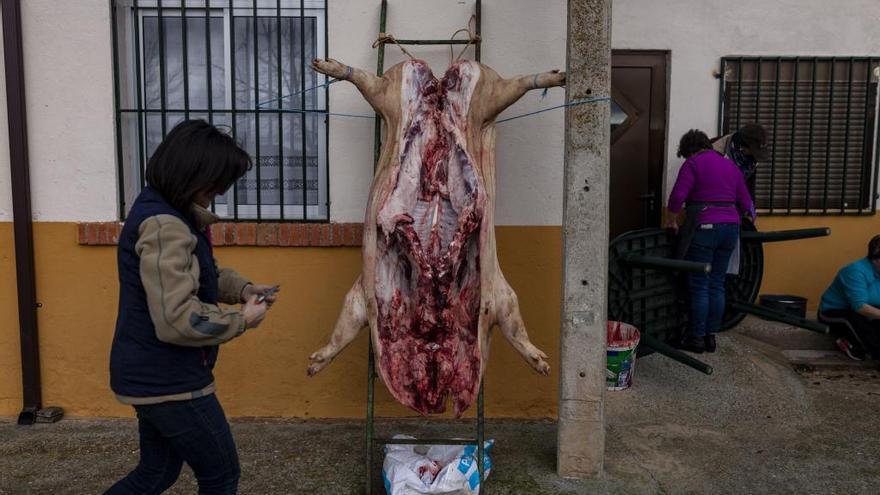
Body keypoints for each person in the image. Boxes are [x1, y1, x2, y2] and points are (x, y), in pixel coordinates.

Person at [106, 120, 278, 494]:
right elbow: (176, 319)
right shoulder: (165, 224)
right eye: (216, 185)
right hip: (168, 381)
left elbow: (201, 271)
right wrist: (242, 319)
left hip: (153, 376)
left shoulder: (168, 209)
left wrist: (244, 289)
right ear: (195, 175)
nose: (217, 194)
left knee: (156, 473)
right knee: (220, 475)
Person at [666, 129, 755, 353]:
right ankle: (710, 337)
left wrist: (672, 220)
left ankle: (695, 339)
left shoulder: (693, 163)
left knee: (699, 284)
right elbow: (746, 202)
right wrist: (749, 217)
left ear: (689, 150)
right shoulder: (730, 166)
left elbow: (678, 196)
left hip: (706, 226)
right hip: (731, 229)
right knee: (717, 283)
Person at [818, 235, 880, 360]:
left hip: (869, 310)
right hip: (834, 311)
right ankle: (856, 347)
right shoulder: (856, 271)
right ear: (876, 257)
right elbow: (859, 306)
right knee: (862, 326)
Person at [712, 123, 768, 201]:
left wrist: (750, 209)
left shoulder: (751, 161)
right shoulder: (714, 151)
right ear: (742, 147)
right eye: (753, 151)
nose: (754, 155)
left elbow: (749, 189)